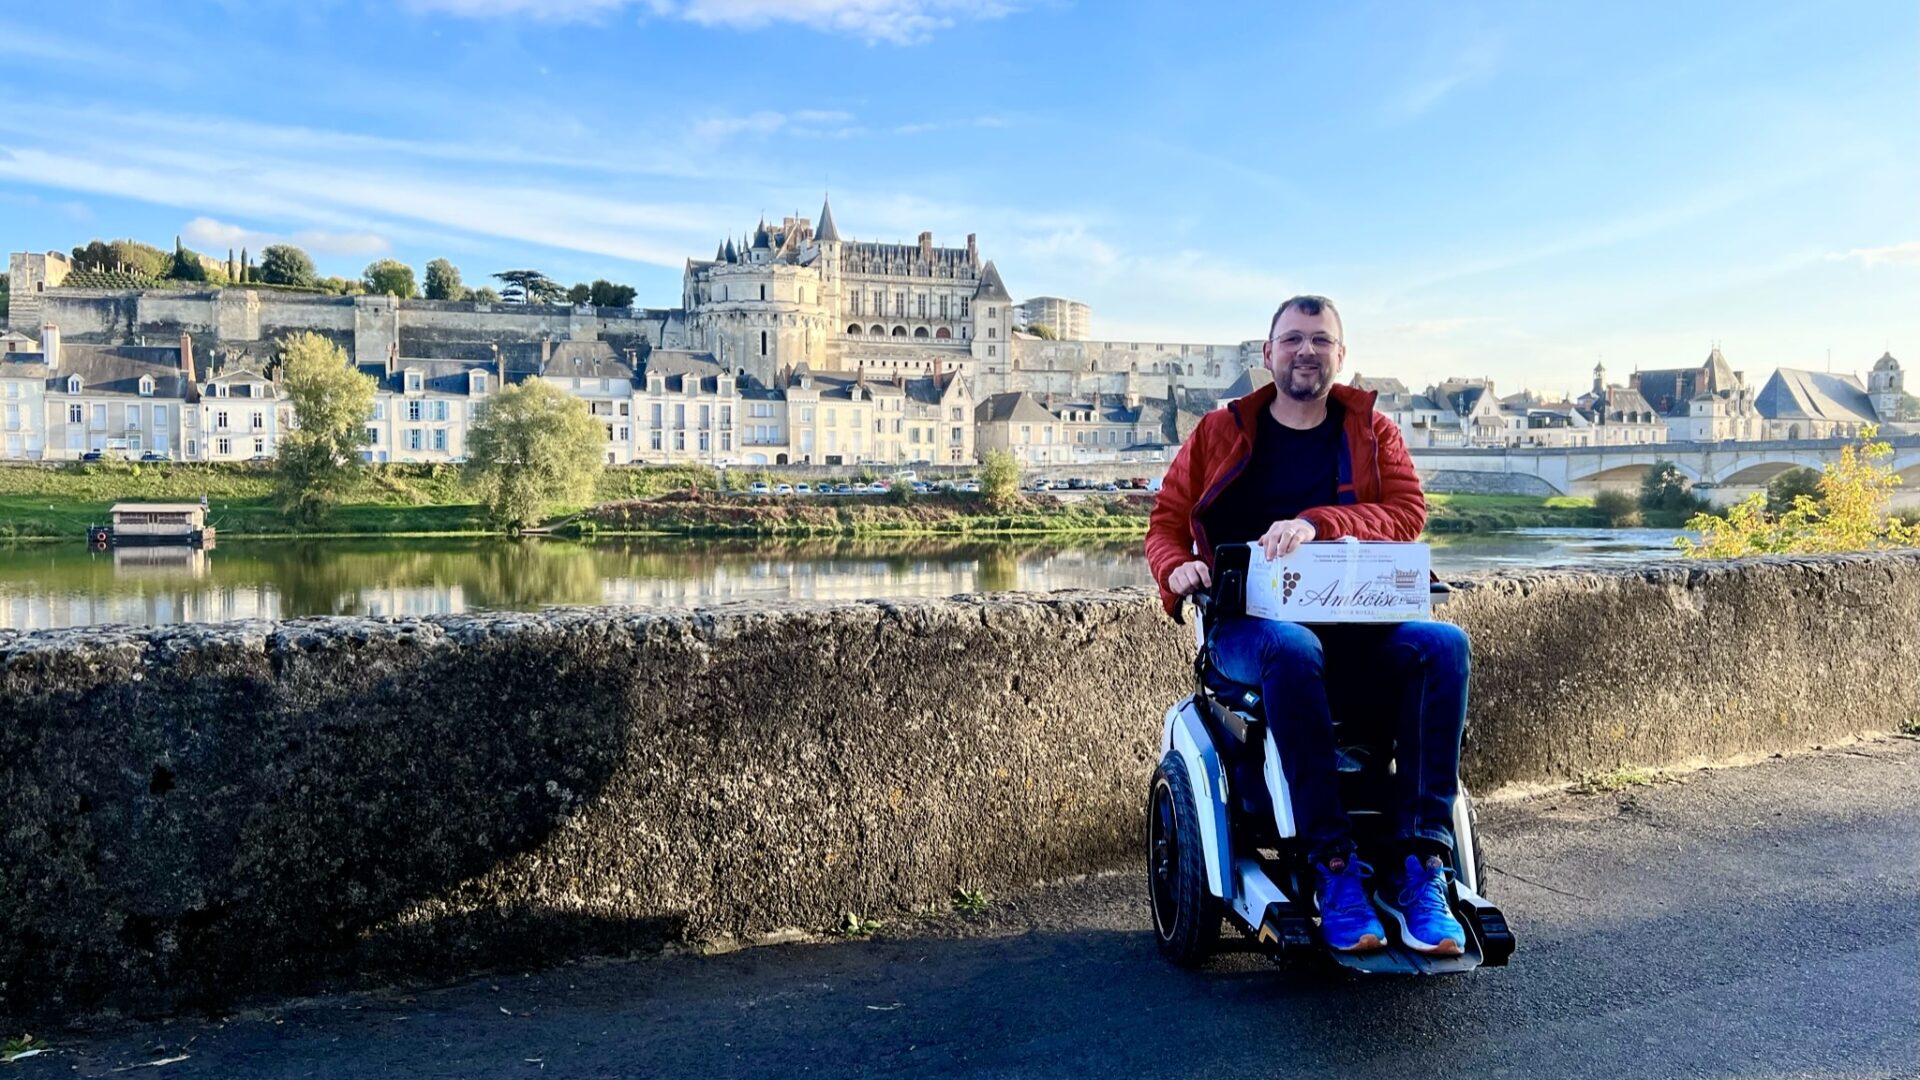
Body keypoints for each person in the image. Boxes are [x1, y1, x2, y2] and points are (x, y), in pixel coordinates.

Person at [1144, 295, 1470, 956]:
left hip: (1358, 632)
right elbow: (1166, 526)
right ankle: (1334, 870)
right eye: (1292, 340)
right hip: (1248, 633)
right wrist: (1177, 570)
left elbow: (1407, 514)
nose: (1306, 352)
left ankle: (1421, 866)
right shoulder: (1219, 431)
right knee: (1293, 648)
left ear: (1341, 357)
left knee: (1444, 645)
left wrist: (1320, 522)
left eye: (1320, 341)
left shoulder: (1373, 431)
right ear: (1268, 355)